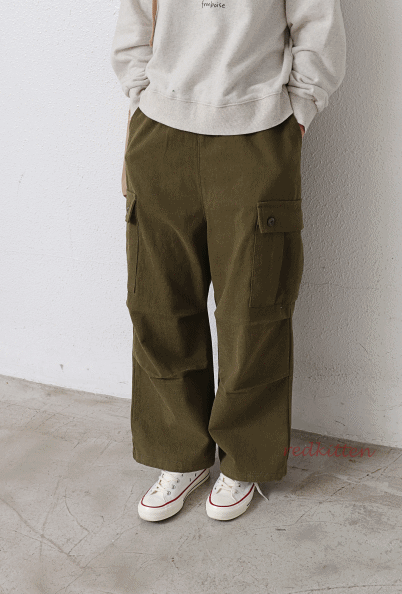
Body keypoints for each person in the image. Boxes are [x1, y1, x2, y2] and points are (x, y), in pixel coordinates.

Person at [110, 0, 346, 522]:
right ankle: (179, 453)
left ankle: (245, 459)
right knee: (158, 302)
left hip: (257, 134)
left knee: (254, 308)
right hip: (160, 130)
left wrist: (298, 115)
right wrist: (139, 102)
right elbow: (136, 22)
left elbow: (318, 25)